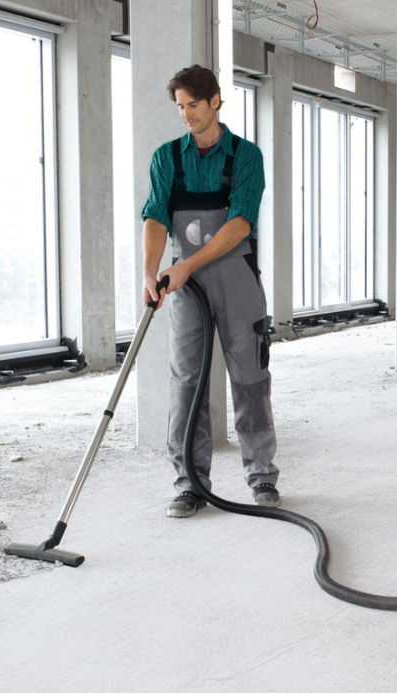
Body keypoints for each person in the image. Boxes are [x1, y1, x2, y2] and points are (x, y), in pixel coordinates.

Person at [141, 64, 279, 518]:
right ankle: (189, 484)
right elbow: (157, 218)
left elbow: (240, 223)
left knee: (250, 379)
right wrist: (151, 270)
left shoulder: (245, 156)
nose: (186, 114)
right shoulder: (167, 158)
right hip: (184, 285)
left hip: (235, 277)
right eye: (180, 107)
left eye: (193, 105)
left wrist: (186, 267)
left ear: (216, 100)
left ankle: (261, 477)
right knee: (187, 384)